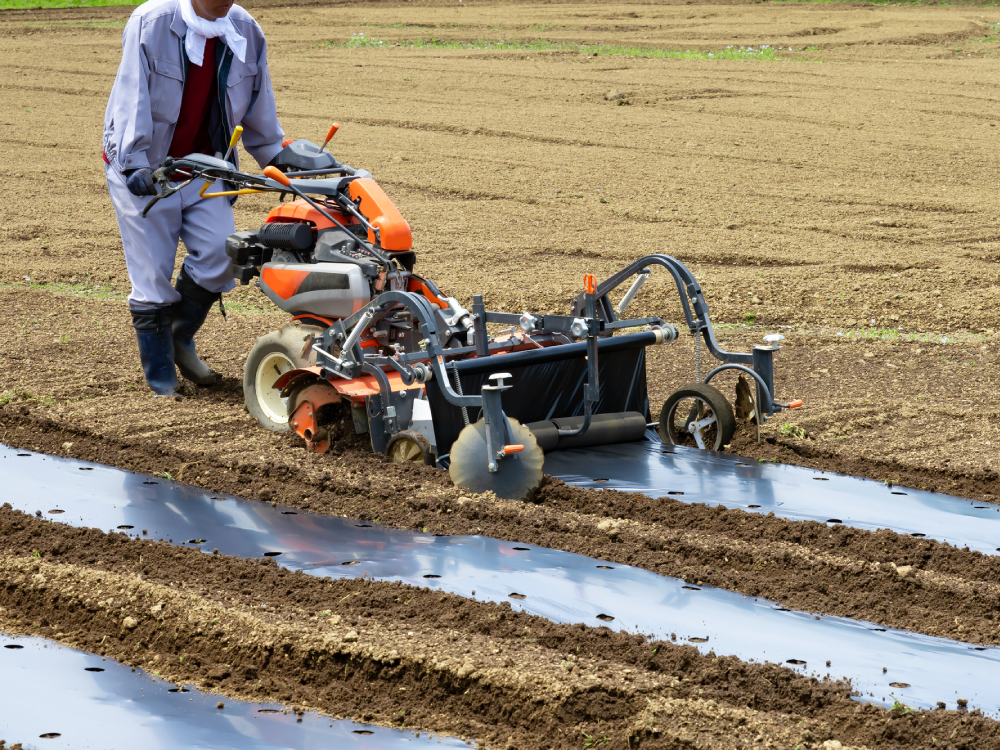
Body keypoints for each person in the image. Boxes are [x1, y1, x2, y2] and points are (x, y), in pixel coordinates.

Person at [103, 0, 284, 396]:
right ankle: (161, 375)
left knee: (222, 257)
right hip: (148, 170)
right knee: (153, 273)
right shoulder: (152, 22)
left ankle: (178, 335)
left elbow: (258, 102)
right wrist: (132, 162)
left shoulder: (245, 29)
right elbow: (131, 94)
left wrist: (278, 158)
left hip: (205, 167)